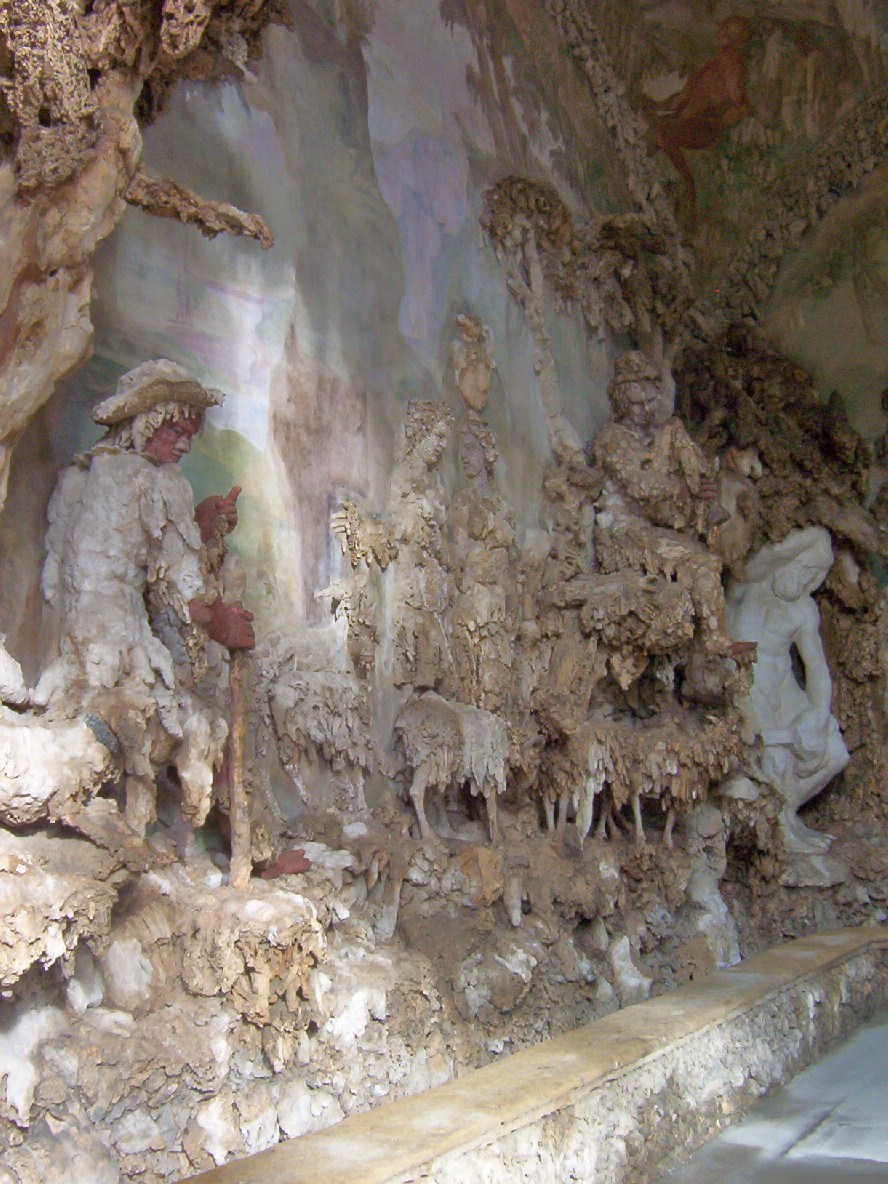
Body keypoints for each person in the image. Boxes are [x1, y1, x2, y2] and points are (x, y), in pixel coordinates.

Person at [35, 359, 254, 839]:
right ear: (144, 423)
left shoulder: (80, 478)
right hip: (125, 655)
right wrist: (227, 626)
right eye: (175, 430)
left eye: (190, 435)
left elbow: (122, 556)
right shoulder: (160, 482)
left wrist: (197, 526)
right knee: (206, 726)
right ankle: (236, 846)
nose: (184, 445)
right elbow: (186, 597)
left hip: (74, 658)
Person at [592, 351, 755, 663]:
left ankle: (718, 638)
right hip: (621, 530)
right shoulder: (611, 437)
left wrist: (695, 490)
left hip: (651, 525)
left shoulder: (658, 438)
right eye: (637, 403)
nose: (644, 410)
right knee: (697, 560)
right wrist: (680, 487)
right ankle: (715, 640)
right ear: (622, 401)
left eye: (649, 402)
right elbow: (638, 485)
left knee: (707, 562)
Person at [726, 527, 849, 854]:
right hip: (743, 686)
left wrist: (819, 712)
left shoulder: (803, 610)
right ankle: (778, 826)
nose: (806, 581)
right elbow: (761, 559)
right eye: (804, 569)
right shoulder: (747, 588)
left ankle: (787, 812)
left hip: (783, 689)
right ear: (789, 560)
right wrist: (814, 539)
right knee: (770, 756)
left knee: (835, 751)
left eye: (814, 576)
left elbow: (816, 667)